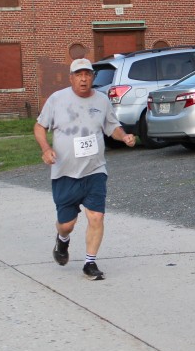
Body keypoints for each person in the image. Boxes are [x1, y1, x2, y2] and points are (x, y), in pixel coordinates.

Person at [34, 58, 136, 280]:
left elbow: (112, 126)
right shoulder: (57, 99)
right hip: (64, 173)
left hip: (94, 170)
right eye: (79, 75)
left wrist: (124, 136)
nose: (83, 79)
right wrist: (46, 149)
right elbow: (40, 127)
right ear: (71, 78)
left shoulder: (101, 100)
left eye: (87, 74)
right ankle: (62, 240)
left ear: (92, 77)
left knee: (96, 216)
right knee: (67, 224)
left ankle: (90, 263)